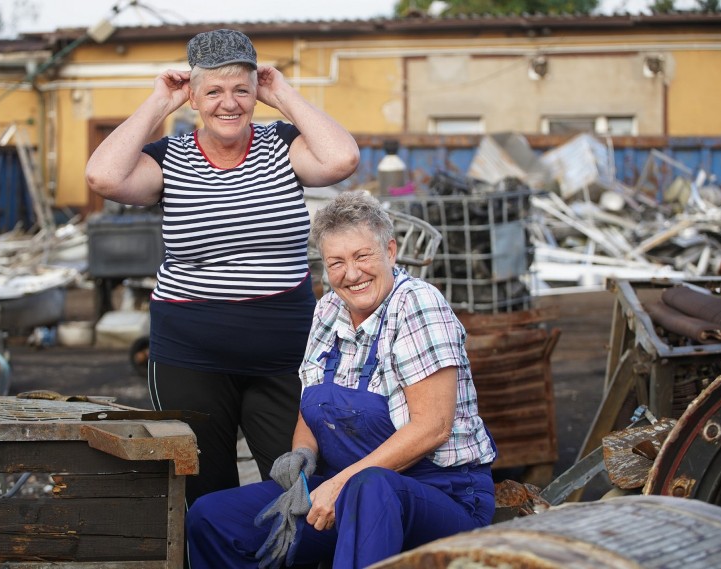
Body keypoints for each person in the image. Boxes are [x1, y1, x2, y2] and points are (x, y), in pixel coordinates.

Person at [84, 28, 360, 507]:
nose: (228, 103)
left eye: (241, 89)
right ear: (193, 97)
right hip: (190, 358)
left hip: (284, 357)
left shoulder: (283, 145)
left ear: (257, 93)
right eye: (212, 91)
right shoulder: (171, 158)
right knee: (201, 492)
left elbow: (342, 158)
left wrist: (283, 93)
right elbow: (102, 176)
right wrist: (157, 103)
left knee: (298, 486)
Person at [186, 190, 497, 569]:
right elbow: (312, 404)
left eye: (362, 256)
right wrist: (304, 454)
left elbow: (433, 427)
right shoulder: (329, 309)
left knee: (371, 488)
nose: (351, 274)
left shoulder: (417, 304)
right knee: (212, 516)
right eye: (336, 262)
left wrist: (338, 484)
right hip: (350, 492)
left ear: (391, 251)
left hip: (443, 496)